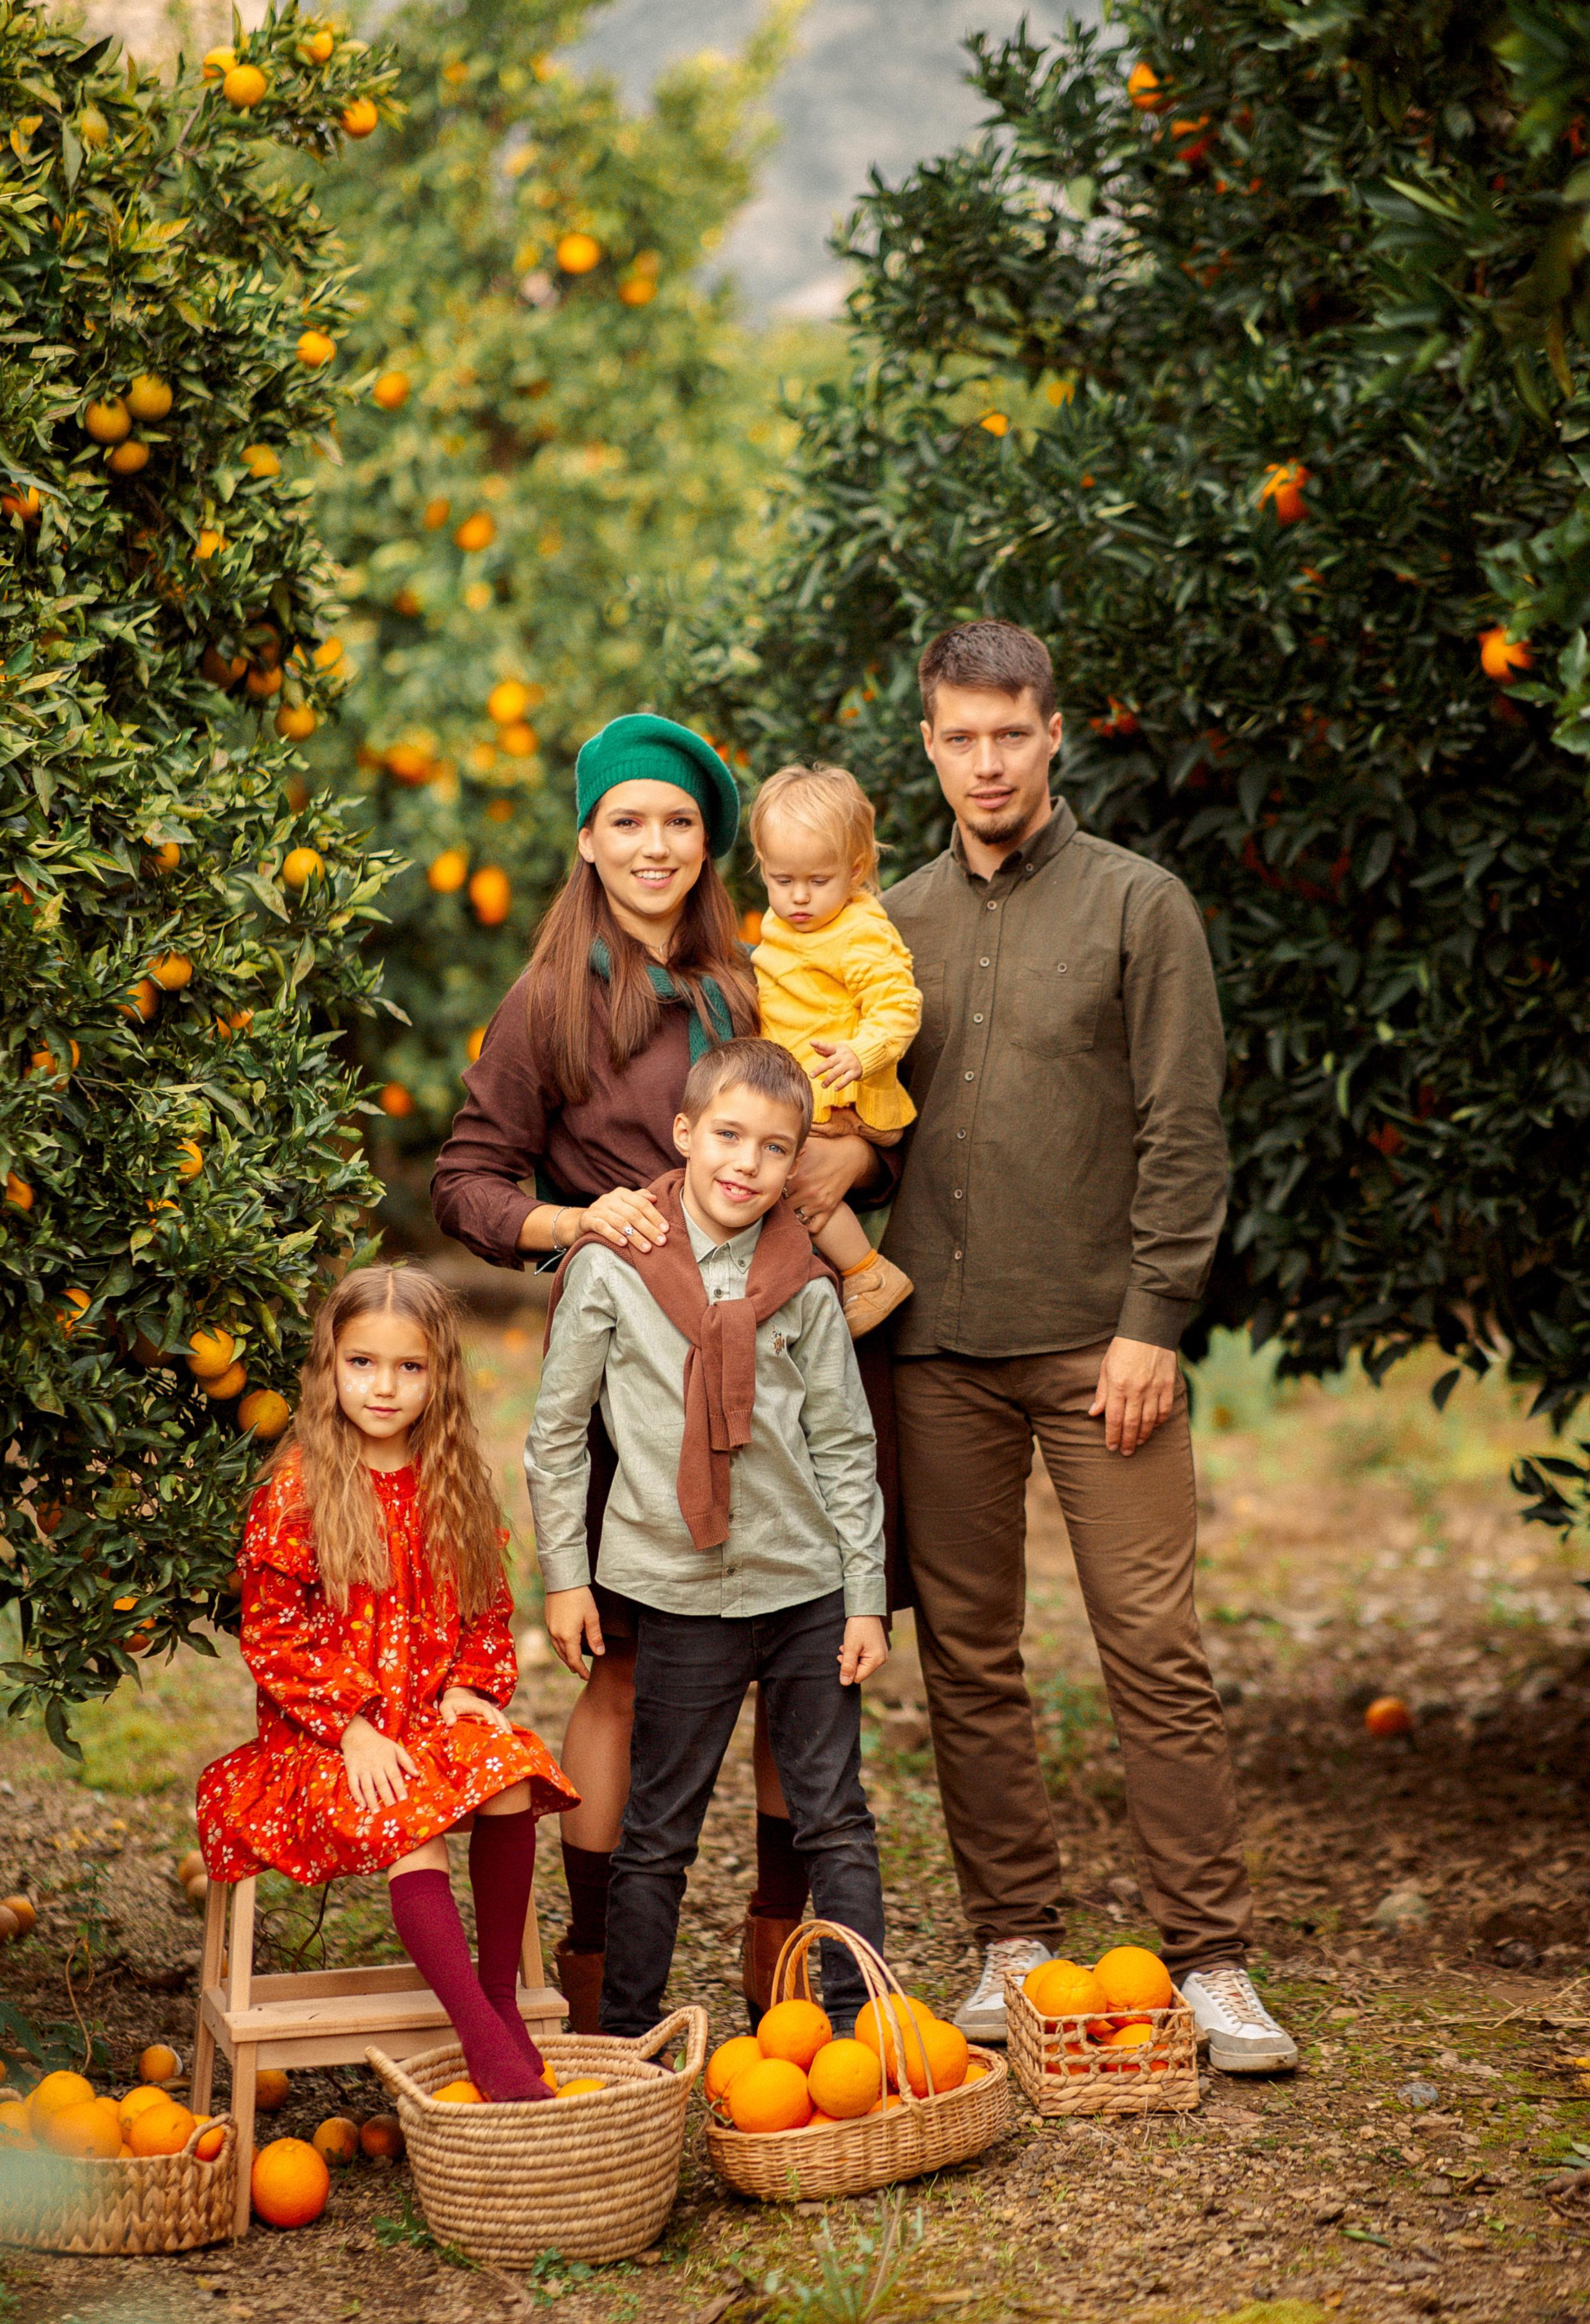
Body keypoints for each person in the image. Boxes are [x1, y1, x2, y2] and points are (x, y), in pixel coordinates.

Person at [878, 619, 1296, 2074]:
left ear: (1052, 733)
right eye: (959, 737)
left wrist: (1150, 1323)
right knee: (967, 1656)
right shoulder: (887, 924)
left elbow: (1185, 1131)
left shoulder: (1138, 905)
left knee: (1150, 1644)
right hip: (935, 1353)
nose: (985, 762)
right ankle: (1010, 1942)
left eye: (1009, 733)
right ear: (927, 746)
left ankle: (1211, 1958)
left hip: (1098, 1352)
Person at [430, 714, 892, 2031]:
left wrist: (850, 1158)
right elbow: (465, 1182)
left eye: (679, 822)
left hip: (777, 1344)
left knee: (802, 1653)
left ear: (708, 845)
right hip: (632, 1361)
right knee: (628, 1667)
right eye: (626, 820)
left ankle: (786, 1950)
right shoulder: (549, 1002)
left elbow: (840, 1114)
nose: (654, 844)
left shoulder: (757, 977)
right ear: (586, 839)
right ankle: (600, 1966)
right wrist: (577, 1222)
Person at [525, 1035, 889, 2036]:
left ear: (796, 1163)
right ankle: (625, 2044)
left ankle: (862, 2033)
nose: (746, 1164)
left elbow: (846, 1449)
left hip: (806, 1588)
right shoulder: (614, 1268)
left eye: (775, 1149)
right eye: (728, 1135)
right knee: (658, 1833)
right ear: (684, 1134)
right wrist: (567, 1577)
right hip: (678, 1590)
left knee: (837, 1820)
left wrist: (864, 1598)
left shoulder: (806, 1283)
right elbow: (556, 1437)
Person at [196, 1266, 577, 2104]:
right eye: (362, 1363)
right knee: (414, 1826)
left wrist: (471, 1687)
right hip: (326, 1739)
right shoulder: (297, 1490)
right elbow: (274, 1635)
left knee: (509, 1774)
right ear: (329, 1367)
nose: (384, 1387)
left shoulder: (452, 1484)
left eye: (410, 1368)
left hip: (426, 1716)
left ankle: (499, 2000)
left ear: (439, 1376)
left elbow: (486, 1606)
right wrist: (354, 1726)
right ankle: (481, 2038)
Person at [748, 763, 919, 1338]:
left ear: (856, 871)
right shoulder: (787, 922)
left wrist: (861, 1054)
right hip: (805, 1084)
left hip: (843, 1089)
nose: (799, 897)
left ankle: (868, 1273)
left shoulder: (859, 932)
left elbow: (899, 1005)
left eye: (818, 881)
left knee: (790, 1174)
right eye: (782, 879)